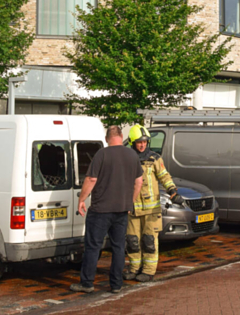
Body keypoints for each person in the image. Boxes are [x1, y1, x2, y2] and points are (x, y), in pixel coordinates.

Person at [71, 126, 144, 294]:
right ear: (121, 136)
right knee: (118, 247)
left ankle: (87, 283)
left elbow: (91, 179)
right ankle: (116, 284)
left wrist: (82, 199)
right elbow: (138, 182)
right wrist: (129, 202)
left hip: (101, 210)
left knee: (93, 246)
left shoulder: (102, 154)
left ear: (107, 138)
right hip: (121, 210)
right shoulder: (132, 155)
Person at [124, 125, 182, 282]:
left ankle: (148, 271)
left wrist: (173, 192)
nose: (142, 145)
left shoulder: (154, 158)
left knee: (149, 241)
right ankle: (133, 269)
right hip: (133, 209)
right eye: (139, 142)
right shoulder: (126, 159)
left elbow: (164, 176)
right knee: (132, 242)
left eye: (145, 142)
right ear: (132, 142)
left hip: (151, 210)